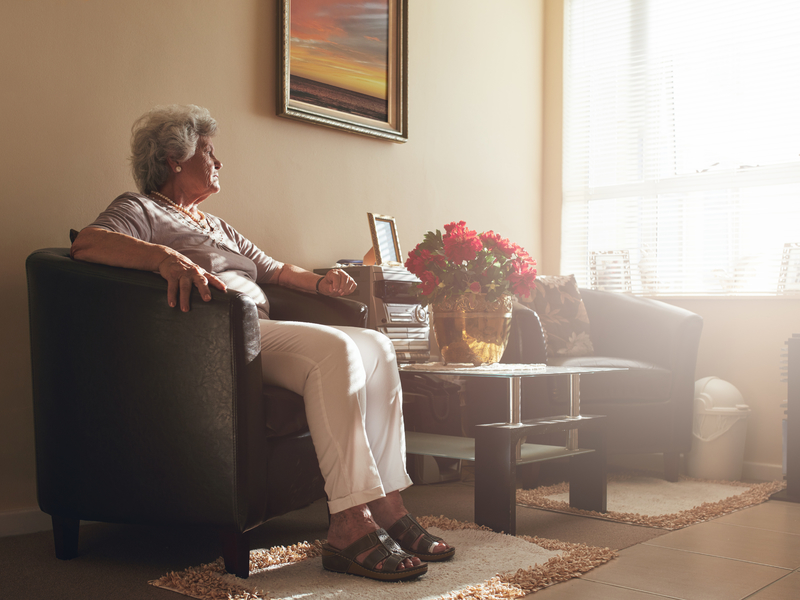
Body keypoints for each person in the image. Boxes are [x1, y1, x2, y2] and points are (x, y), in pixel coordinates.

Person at [71, 104, 453, 582]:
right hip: (214, 342)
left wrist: (322, 283)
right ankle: (349, 526)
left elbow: (273, 269)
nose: (219, 162)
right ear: (174, 158)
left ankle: (389, 505)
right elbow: (88, 243)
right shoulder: (140, 208)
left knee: (376, 344)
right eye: (209, 152)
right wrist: (164, 257)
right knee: (336, 351)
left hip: (257, 333)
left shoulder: (216, 225)